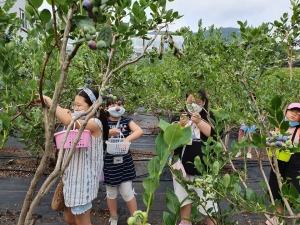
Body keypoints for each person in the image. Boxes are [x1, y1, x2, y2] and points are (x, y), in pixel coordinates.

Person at [35, 87, 109, 225]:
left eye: (79, 105)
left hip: (83, 182)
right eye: (74, 104)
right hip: (71, 180)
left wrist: (50, 101)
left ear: (93, 107)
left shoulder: (94, 124)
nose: (75, 108)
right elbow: (69, 117)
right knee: (69, 219)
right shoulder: (79, 120)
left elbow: (68, 121)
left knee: (82, 222)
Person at [171, 89, 218, 225]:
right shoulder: (179, 117)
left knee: (209, 210)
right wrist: (180, 125)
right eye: (190, 101)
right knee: (184, 204)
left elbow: (214, 135)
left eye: (197, 102)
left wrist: (198, 121)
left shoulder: (210, 117)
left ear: (204, 102)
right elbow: (171, 138)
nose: (193, 104)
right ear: (185, 101)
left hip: (203, 173)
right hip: (181, 171)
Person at [103, 96, 144, 225]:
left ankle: (136, 217)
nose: (116, 107)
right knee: (111, 192)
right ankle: (114, 217)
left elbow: (139, 131)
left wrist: (127, 139)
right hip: (109, 164)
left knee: (127, 192)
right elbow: (97, 134)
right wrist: (108, 132)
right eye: (112, 105)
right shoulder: (103, 122)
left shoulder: (126, 120)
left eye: (119, 104)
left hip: (124, 163)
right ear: (106, 108)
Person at [266, 103, 300, 225]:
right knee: (275, 189)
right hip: (278, 163)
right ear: (285, 112)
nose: (294, 114)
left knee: (295, 190)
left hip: (295, 166)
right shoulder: (278, 126)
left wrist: (288, 142)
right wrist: (270, 141)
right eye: (292, 111)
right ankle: (277, 218)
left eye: (298, 113)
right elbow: (271, 142)